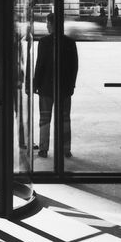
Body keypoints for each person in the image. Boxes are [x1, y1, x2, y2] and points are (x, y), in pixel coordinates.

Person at [32, 22, 78, 161]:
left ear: (52, 25)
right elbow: (74, 66)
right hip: (64, 88)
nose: (46, 26)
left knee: (45, 119)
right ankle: (66, 149)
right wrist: (71, 86)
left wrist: (35, 84)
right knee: (65, 119)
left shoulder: (44, 42)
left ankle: (44, 149)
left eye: (48, 24)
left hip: (46, 88)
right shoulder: (70, 42)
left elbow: (40, 65)